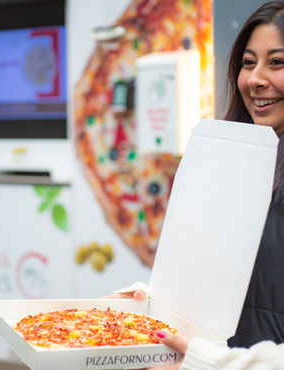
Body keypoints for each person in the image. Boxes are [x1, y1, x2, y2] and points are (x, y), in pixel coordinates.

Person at [111, 1, 284, 368]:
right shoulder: (224, 158)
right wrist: (149, 303)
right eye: (248, 62)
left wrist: (211, 362)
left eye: (277, 62)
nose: (255, 78)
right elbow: (210, 281)